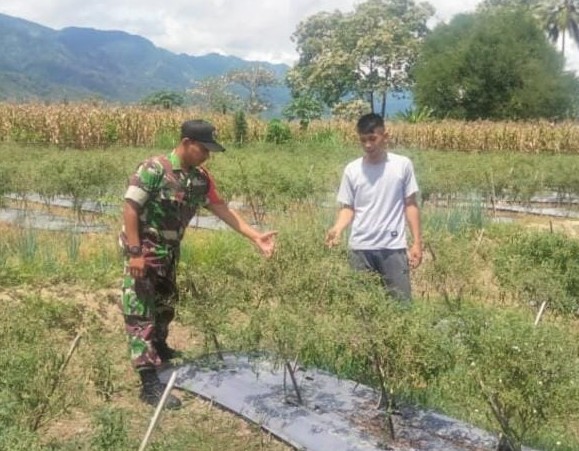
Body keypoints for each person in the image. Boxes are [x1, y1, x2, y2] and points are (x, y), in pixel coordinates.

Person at [120, 119, 276, 410]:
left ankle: (161, 348)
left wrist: (256, 236)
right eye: (204, 149)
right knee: (140, 310)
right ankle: (148, 381)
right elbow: (131, 207)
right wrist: (134, 252)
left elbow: (221, 208)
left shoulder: (200, 178)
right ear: (188, 142)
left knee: (166, 305)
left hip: (169, 252)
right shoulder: (154, 169)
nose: (207, 155)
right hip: (144, 251)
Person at [325, 113, 422, 301]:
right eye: (363, 140)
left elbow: (410, 205)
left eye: (372, 138)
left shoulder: (402, 166)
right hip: (360, 248)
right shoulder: (352, 170)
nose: (368, 145)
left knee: (400, 306)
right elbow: (348, 207)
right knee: (362, 307)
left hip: (392, 248)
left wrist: (417, 242)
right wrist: (337, 229)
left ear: (385, 136)